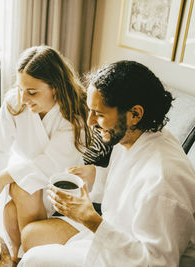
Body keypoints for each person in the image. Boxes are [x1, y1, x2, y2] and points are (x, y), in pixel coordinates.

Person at [18, 60, 195, 266]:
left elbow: (156, 263)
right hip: (113, 234)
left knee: (33, 260)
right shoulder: (137, 136)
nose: (91, 121)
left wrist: (90, 220)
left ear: (135, 114)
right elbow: (128, 186)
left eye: (99, 114)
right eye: (91, 111)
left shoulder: (165, 182)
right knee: (31, 236)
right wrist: (95, 174)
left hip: (127, 256)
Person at [0, 45, 92, 261]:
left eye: (32, 92)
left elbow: (54, 164)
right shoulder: (15, 102)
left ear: (55, 87)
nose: (24, 98)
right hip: (25, 178)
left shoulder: (73, 115)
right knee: (18, 193)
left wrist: (4, 176)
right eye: (20, 89)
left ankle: (25, 256)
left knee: (14, 202)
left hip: (59, 183)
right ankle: (23, 256)